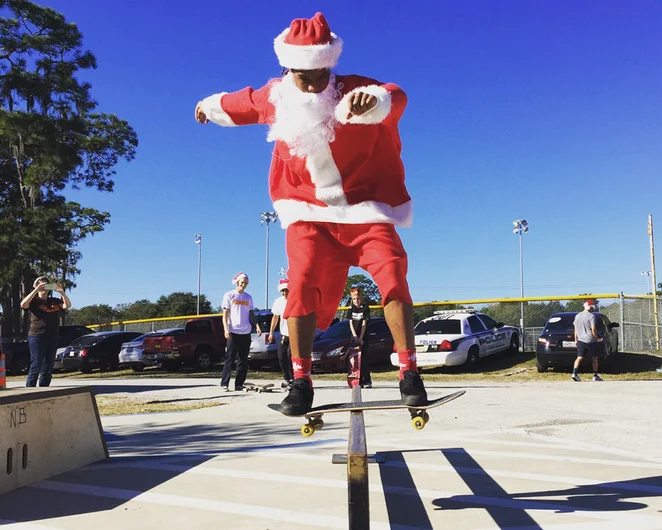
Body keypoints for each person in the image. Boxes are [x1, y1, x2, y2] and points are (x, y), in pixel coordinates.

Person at [195, 12, 427, 414]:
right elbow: (235, 104)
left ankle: (409, 372)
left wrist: (377, 100)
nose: (317, 84)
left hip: (363, 210)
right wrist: (205, 106)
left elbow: (396, 95)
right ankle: (300, 381)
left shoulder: (353, 89)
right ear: (288, 69)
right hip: (308, 215)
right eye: (307, 77)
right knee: (300, 281)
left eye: (323, 74)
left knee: (392, 271)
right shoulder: (273, 97)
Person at [20, 276, 71, 387]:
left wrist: (62, 292)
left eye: (46, 284)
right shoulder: (34, 301)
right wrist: (36, 290)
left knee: (48, 367)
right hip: (37, 336)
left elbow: (67, 305)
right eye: (40, 284)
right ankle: (29, 391)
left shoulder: (55, 301)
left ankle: (43, 390)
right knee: (36, 365)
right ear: (36, 286)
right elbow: (23, 304)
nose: (43, 286)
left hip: (52, 337)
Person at [220, 272, 261, 391]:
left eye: (246, 283)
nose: (244, 284)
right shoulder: (229, 295)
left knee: (243, 359)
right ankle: (224, 383)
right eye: (242, 282)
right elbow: (225, 313)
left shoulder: (248, 297)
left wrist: (257, 325)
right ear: (238, 282)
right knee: (230, 358)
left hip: (245, 331)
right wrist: (226, 329)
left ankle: (239, 384)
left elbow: (251, 313)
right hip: (233, 331)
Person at [268, 278, 293, 387]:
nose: (284, 293)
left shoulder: (294, 300)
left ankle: (294, 377)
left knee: (290, 355)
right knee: (281, 355)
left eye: (286, 290)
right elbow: (275, 317)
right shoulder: (278, 302)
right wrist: (271, 332)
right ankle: (286, 377)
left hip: (294, 333)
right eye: (282, 291)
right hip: (284, 333)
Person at [346, 287, 372, 388]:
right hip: (354, 336)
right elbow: (351, 323)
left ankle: (367, 381)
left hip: (363, 336)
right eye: (354, 299)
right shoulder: (351, 309)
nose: (356, 301)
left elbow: (364, 324)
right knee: (354, 359)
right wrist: (355, 336)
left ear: (361, 298)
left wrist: (361, 338)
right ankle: (358, 380)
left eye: (358, 298)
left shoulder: (365, 308)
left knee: (364, 359)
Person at [572, 300, 604, 382]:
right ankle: (595, 375)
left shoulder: (577, 316)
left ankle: (574, 373)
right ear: (590, 307)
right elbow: (593, 329)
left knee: (579, 357)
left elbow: (575, 329)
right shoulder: (591, 316)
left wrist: (576, 339)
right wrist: (597, 338)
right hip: (590, 340)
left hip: (580, 340)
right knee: (595, 358)